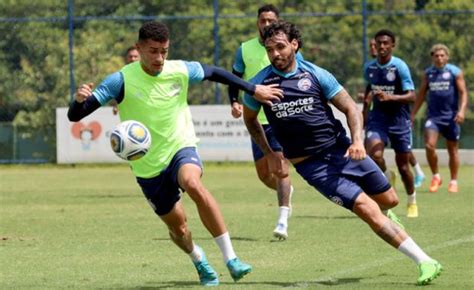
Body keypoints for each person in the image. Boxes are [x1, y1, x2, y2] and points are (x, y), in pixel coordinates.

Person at [68, 21, 283, 286]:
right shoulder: (120, 80)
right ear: (139, 48)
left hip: (180, 146)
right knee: (178, 228)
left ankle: (231, 259)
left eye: (164, 51)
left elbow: (216, 72)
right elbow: (76, 115)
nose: (159, 58)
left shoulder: (179, 69)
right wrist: (78, 100)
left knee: (193, 183)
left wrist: (252, 89)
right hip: (147, 167)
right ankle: (198, 259)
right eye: (153, 51)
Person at [243, 20, 443, 286]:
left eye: (280, 47)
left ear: (294, 44)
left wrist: (358, 141)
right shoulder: (260, 84)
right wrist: (270, 153)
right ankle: (425, 261)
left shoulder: (316, 74)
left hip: (343, 150)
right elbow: (250, 120)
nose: (276, 54)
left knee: (390, 201)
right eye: (270, 50)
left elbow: (350, 107)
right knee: (367, 209)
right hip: (312, 167)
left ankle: (386, 204)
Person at [228, 4, 294, 240]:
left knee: (280, 168)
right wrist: (234, 101)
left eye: (271, 21)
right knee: (264, 175)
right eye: (263, 20)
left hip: (280, 116)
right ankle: (285, 192)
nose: (266, 24)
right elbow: (234, 78)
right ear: (257, 22)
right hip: (255, 118)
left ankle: (283, 219)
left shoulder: (286, 47)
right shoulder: (244, 49)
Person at [362, 29, 419, 218]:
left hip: (399, 121)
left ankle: (412, 201)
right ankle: (386, 177)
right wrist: (364, 114)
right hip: (378, 119)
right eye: (379, 43)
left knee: (404, 167)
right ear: (375, 45)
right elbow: (369, 90)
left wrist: (390, 97)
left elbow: (412, 96)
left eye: (386, 43)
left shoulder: (399, 67)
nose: (382, 47)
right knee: (375, 155)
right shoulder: (369, 68)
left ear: (392, 45)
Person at [411, 44, 468, 193]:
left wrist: (461, 111)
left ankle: (453, 181)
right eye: (436, 56)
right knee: (429, 146)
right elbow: (421, 95)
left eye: (442, 55)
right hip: (433, 117)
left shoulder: (455, 72)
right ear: (432, 58)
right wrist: (412, 115)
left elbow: (463, 93)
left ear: (447, 57)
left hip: (451, 117)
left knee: (452, 149)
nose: (439, 58)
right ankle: (436, 176)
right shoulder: (428, 74)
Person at [111, 46, 141, 115]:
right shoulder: (122, 75)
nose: (132, 59)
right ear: (127, 58)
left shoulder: (147, 73)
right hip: (130, 113)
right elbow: (119, 92)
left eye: (135, 56)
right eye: (130, 56)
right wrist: (116, 105)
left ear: (140, 58)